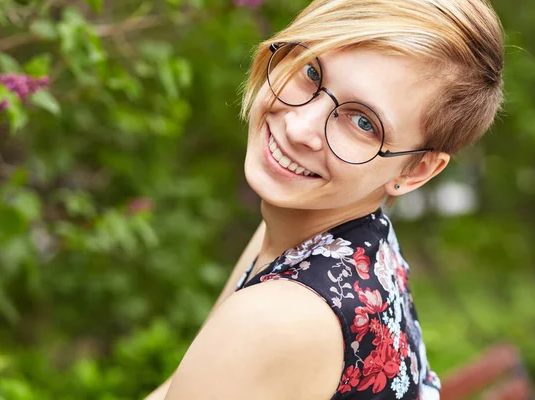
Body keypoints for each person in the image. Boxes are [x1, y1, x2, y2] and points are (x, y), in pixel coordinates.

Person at [146, 0, 504, 398]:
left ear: (415, 170)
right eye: (311, 71)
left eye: (363, 122)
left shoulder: (280, 316)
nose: (301, 127)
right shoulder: (325, 238)